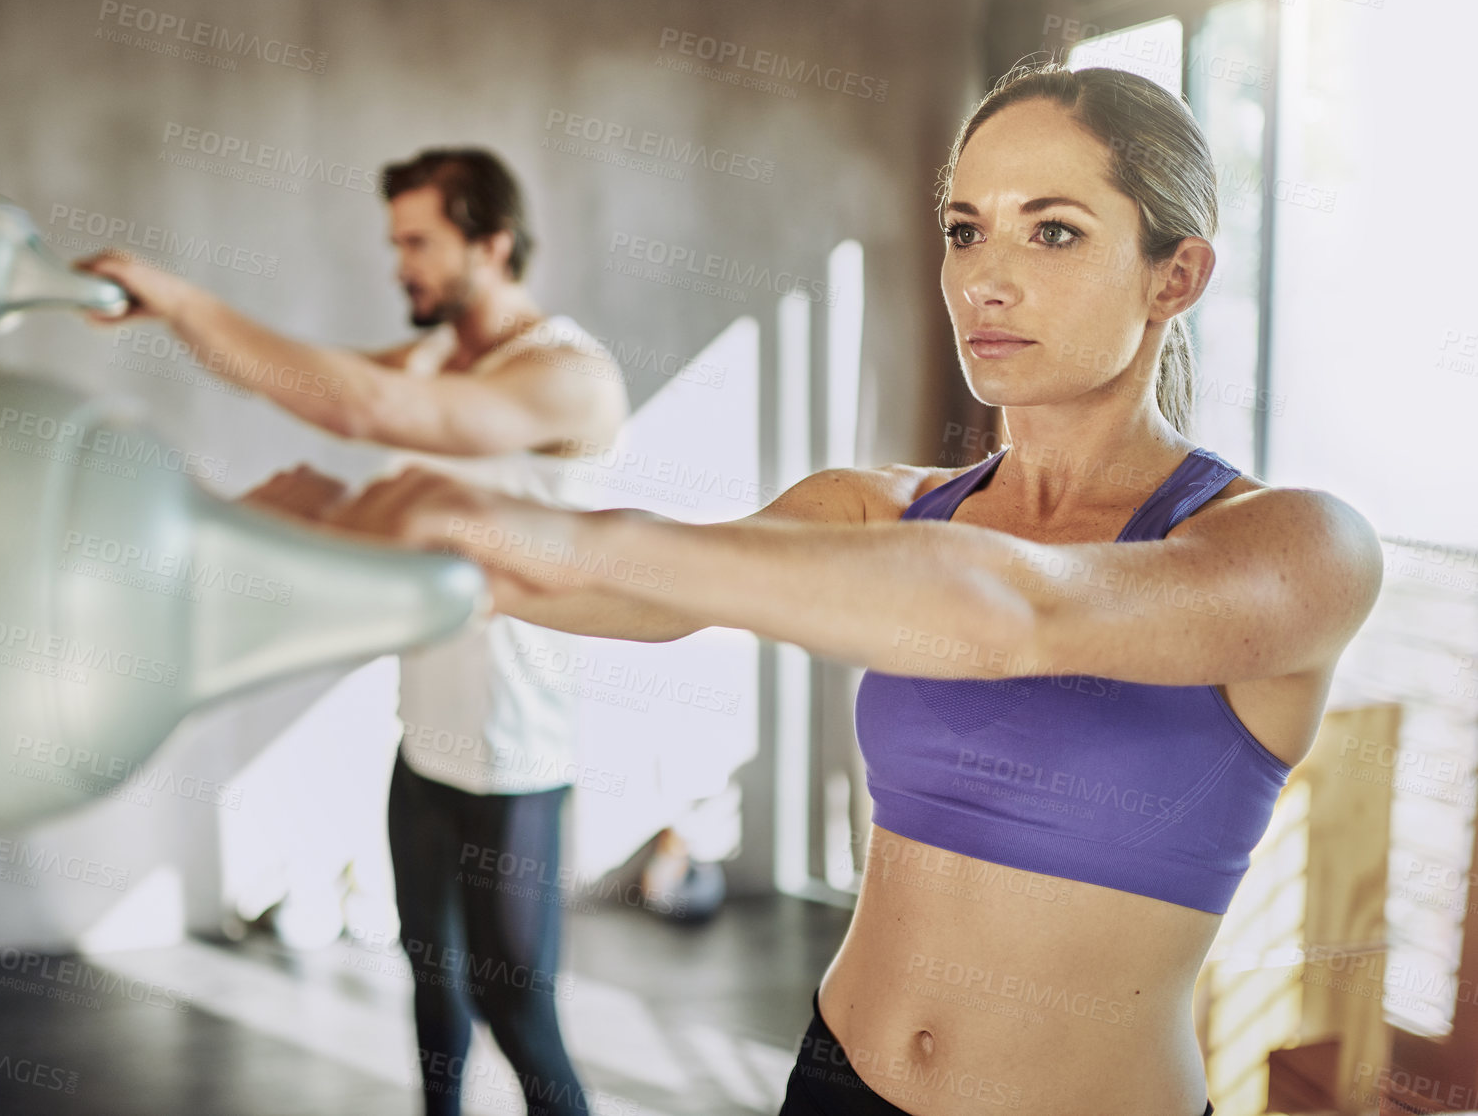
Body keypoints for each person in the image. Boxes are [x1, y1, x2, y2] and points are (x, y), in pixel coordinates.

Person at [280, 63, 1384, 1116]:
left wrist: (514, 524)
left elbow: (1007, 614)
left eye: (1052, 230)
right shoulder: (881, 507)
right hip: (834, 1081)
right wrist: (392, 549)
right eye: (964, 230)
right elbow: (657, 598)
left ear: (1173, 275)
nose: (983, 278)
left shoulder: (1292, 547)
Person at [81, 147, 628, 1116]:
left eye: (418, 241)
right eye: (395, 243)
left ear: (492, 243)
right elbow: (301, 380)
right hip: (424, 746)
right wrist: (175, 317)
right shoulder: (431, 357)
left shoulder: (566, 378)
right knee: (432, 995)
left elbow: (364, 405)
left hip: (517, 766)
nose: (400, 265)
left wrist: (172, 294)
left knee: (522, 1019)